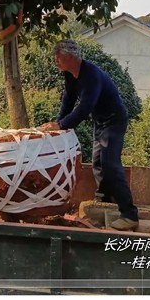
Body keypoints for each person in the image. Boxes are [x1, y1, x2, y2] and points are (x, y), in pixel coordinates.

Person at [39, 39, 139, 231]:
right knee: (98, 162)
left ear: (70, 57)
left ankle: (129, 214)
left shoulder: (91, 75)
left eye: (58, 58)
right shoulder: (70, 75)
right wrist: (59, 124)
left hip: (114, 121)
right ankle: (104, 199)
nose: (56, 62)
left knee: (110, 164)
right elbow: (68, 101)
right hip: (100, 121)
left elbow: (85, 107)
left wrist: (61, 125)